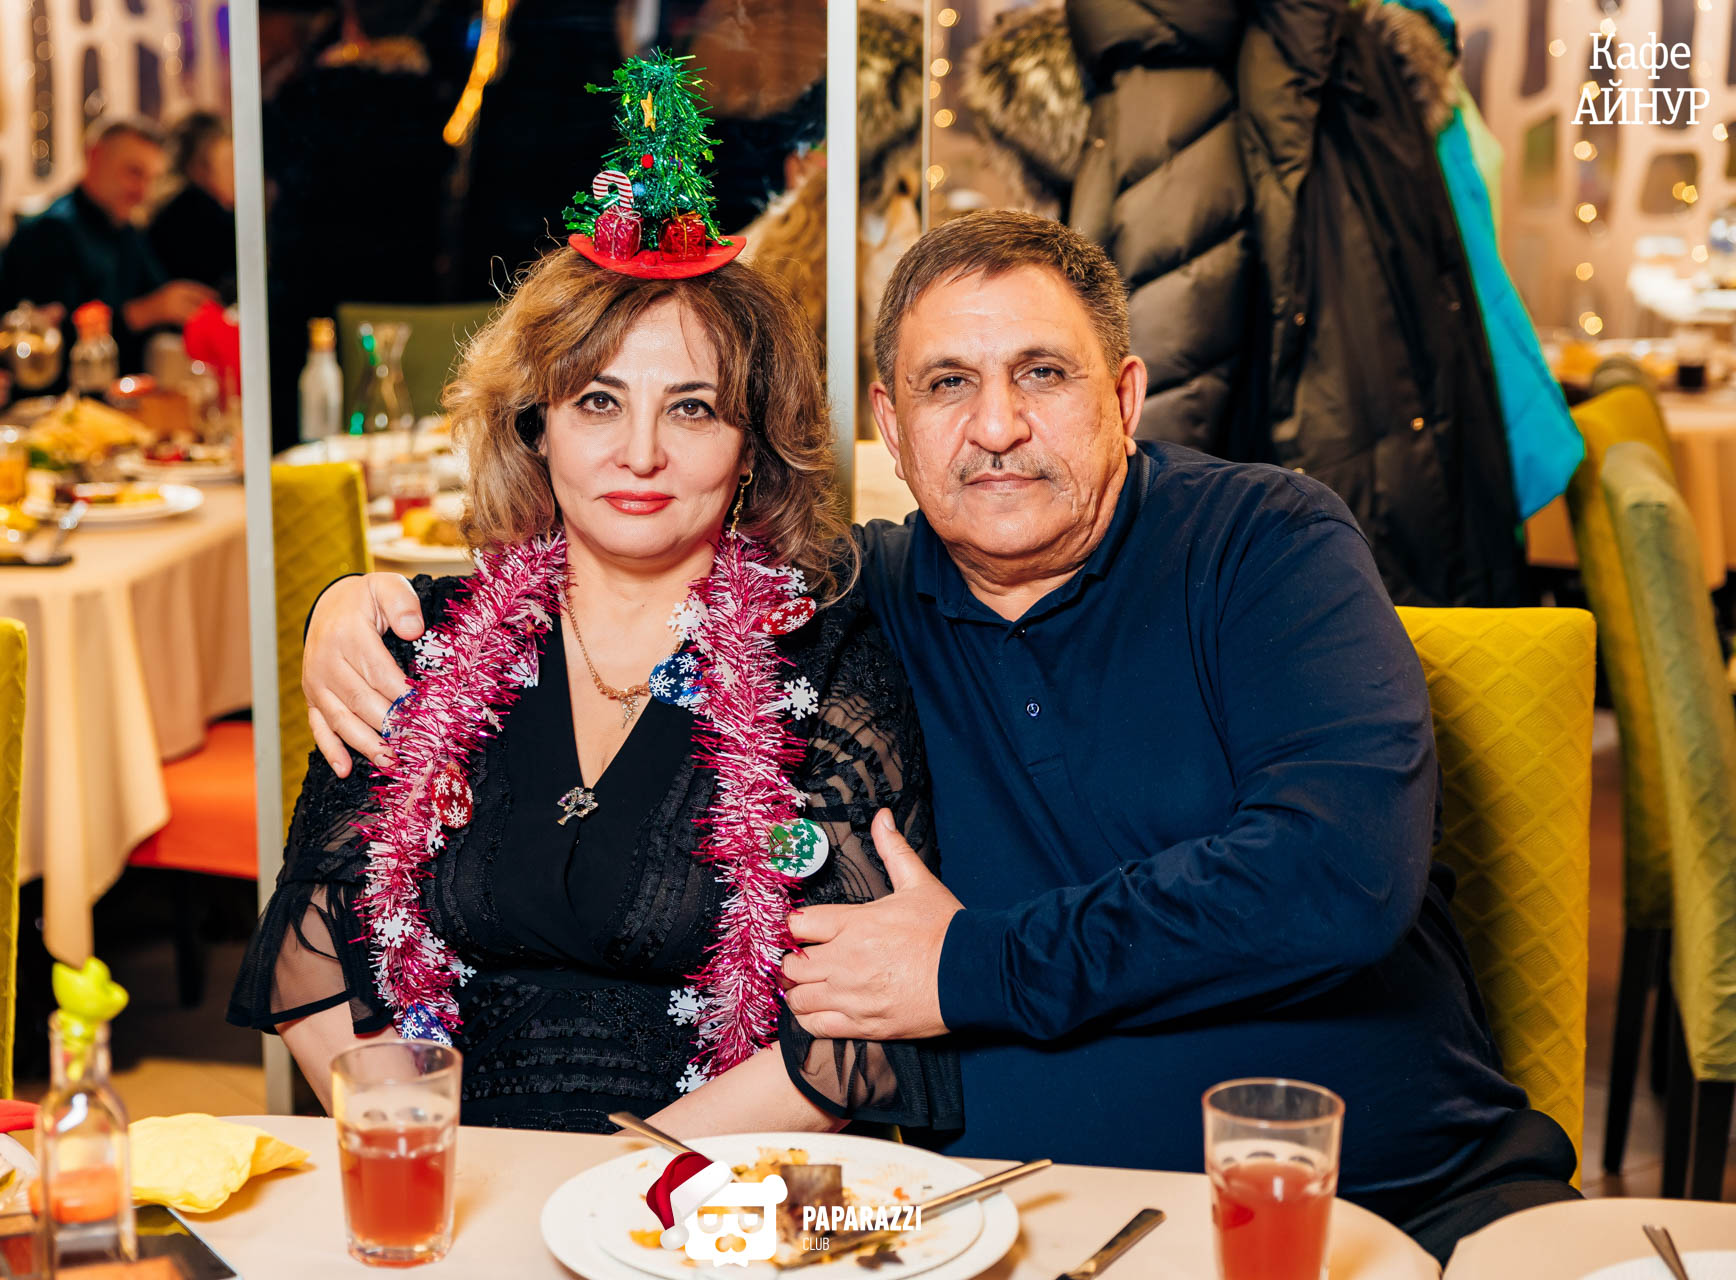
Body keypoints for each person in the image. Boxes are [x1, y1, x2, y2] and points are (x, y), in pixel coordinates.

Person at [298, 210, 1580, 1262]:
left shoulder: (1265, 544)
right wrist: (354, 606)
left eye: (1043, 374)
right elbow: (631, 571)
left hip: (1378, 1198)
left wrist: (967, 965)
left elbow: (1336, 875)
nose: (997, 425)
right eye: (947, 385)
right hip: (990, 1222)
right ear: (891, 428)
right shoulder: (848, 607)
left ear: (1126, 395)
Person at [229, 238, 961, 1140]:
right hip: (449, 1164)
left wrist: (616, 1184)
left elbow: (855, 1022)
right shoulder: (421, 647)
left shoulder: (826, 665)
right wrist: (420, 1150)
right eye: (598, 401)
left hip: (705, 1179)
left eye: (692, 409)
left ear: (752, 448)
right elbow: (319, 957)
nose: (640, 454)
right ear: (536, 425)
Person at [0, 117, 215, 377]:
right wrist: (146, 312)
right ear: (94, 157)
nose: (143, 193)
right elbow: (50, 345)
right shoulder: (49, 232)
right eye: (134, 173)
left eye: (151, 179)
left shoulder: (127, 231)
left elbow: (159, 295)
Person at [148, 111, 236, 302]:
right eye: (229, 164)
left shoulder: (170, 208)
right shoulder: (197, 213)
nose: (237, 174)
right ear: (198, 167)